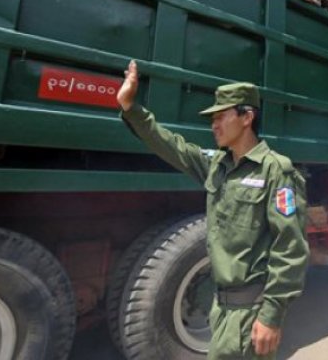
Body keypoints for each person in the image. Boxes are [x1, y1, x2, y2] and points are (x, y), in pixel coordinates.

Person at [117, 60, 309, 360]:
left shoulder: (275, 171)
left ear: (247, 117)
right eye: (213, 119)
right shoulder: (218, 165)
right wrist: (132, 108)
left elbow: (291, 249)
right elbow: (173, 147)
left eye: (221, 117)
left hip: (249, 312)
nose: (214, 125)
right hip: (219, 307)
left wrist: (271, 315)